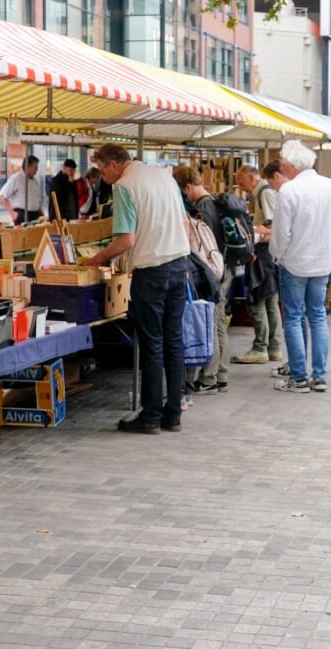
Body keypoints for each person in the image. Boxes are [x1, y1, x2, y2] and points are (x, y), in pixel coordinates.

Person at [82, 144, 191, 433]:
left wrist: (96, 259)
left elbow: (126, 240)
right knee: (173, 340)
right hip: (180, 264)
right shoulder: (165, 177)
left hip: (152, 271)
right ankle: (173, 414)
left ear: (114, 164)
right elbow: (184, 222)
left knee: (152, 343)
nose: (103, 176)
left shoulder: (125, 185)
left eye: (102, 169)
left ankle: (151, 416)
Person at [270, 140, 331, 393]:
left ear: (290, 165)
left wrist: (277, 255)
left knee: (292, 317)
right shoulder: (330, 186)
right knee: (318, 316)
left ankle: (299, 377)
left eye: (282, 164)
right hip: (322, 261)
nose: (282, 167)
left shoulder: (289, 191)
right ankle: (319, 375)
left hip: (295, 262)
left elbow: (281, 233)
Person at [173, 165, 235, 395]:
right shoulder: (214, 202)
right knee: (217, 322)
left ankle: (210, 378)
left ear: (187, 187)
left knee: (213, 322)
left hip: (212, 271)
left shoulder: (204, 207)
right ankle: (220, 376)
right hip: (223, 267)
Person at [234, 162, 284, 364]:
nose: (240, 186)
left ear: (251, 177)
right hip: (270, 254)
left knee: (258, 300)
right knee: (271, 300)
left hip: (263, 253)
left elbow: (271, 225)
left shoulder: (264, 192)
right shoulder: (263, 192)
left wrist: (253, 230)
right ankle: (274, 347)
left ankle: (260, 348)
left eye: (241, 181)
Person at [0, 155, 47, 223]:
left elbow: (37, 202)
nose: (37, 169)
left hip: (36, 215)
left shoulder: (34, 181)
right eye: (35, 167)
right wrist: (13, 214)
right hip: (22, 214)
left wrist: (42, 215)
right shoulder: (16, 178)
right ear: (28, 167)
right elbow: (2, 196)